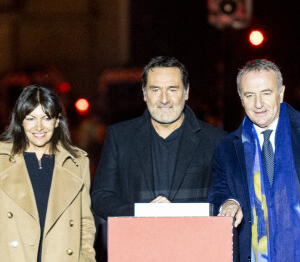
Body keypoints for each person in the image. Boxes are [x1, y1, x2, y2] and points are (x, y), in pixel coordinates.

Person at [91, 56, 225, 219]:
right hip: (137, 240)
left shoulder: (215, 140)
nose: (164, 99)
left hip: (194, 241)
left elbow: (226, 196)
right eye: (155, 90)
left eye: (172, 89)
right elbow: (101, 196)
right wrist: (141, 214)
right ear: (144, 93)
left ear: (186, 92)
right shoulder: (120, 137)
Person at [208, 59, 300, 262]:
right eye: (250, 95)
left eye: (266, 93)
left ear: (281, 93)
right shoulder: (227, 147)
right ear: (241, 98)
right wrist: (229, 202)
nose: (258, 104)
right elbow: (219, 191)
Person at [0, 85, 96, 262]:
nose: (39, 127)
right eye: (31, 118)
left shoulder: (77, 164)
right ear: (21, 121)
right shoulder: (2, 160)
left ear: (57, 120)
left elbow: (85, 224)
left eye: (46, 118)